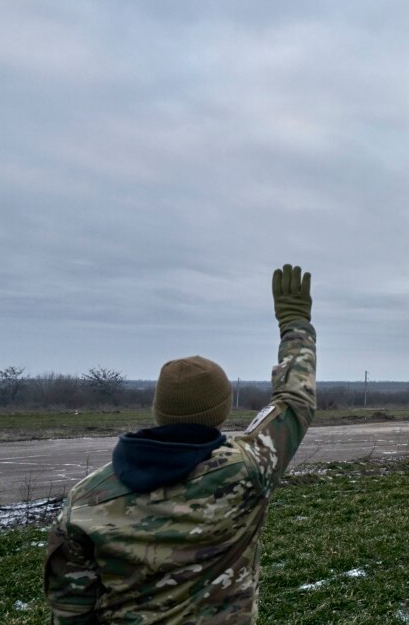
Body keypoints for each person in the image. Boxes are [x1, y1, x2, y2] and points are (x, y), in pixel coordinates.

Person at [45, 264, 316, 624]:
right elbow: (294, 401)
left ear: (158, 410)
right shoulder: (246, 470)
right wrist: (295, 325)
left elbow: (70, 611)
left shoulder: (84, 500)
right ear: (220, 413)